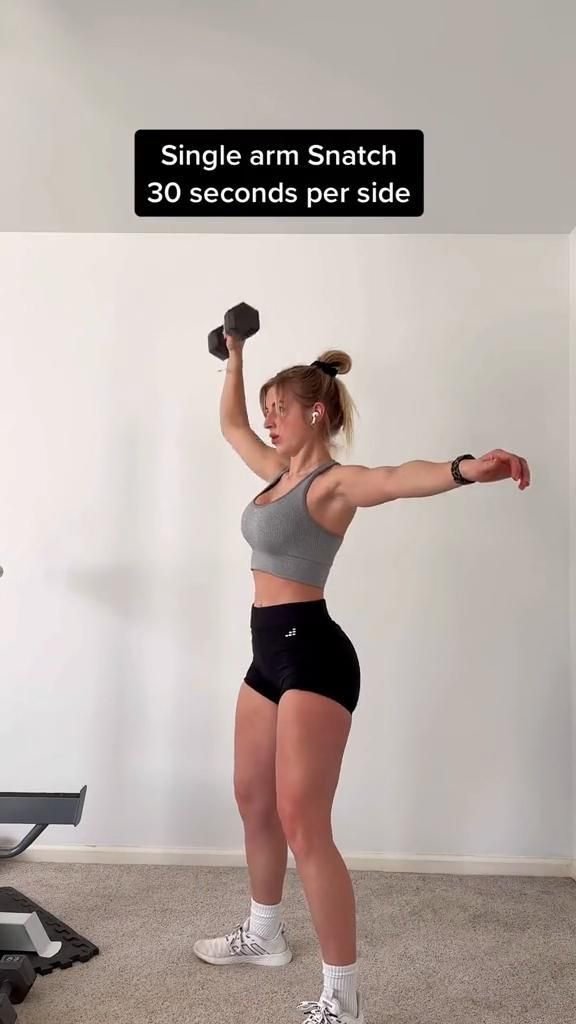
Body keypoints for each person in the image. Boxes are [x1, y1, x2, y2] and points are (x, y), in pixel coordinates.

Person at [193, 332, 531, 1024]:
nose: (267, 422)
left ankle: (343, 999)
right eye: (267, 411)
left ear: (315, 413)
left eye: (278, 410)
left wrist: (467, 468)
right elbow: (229, 425)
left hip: (313, 654)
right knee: (251, 797)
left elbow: (396, 478)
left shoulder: (331, 484)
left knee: (303, 821)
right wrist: (235, 358)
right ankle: (263, 934)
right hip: (266, 653)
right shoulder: (273, 473)